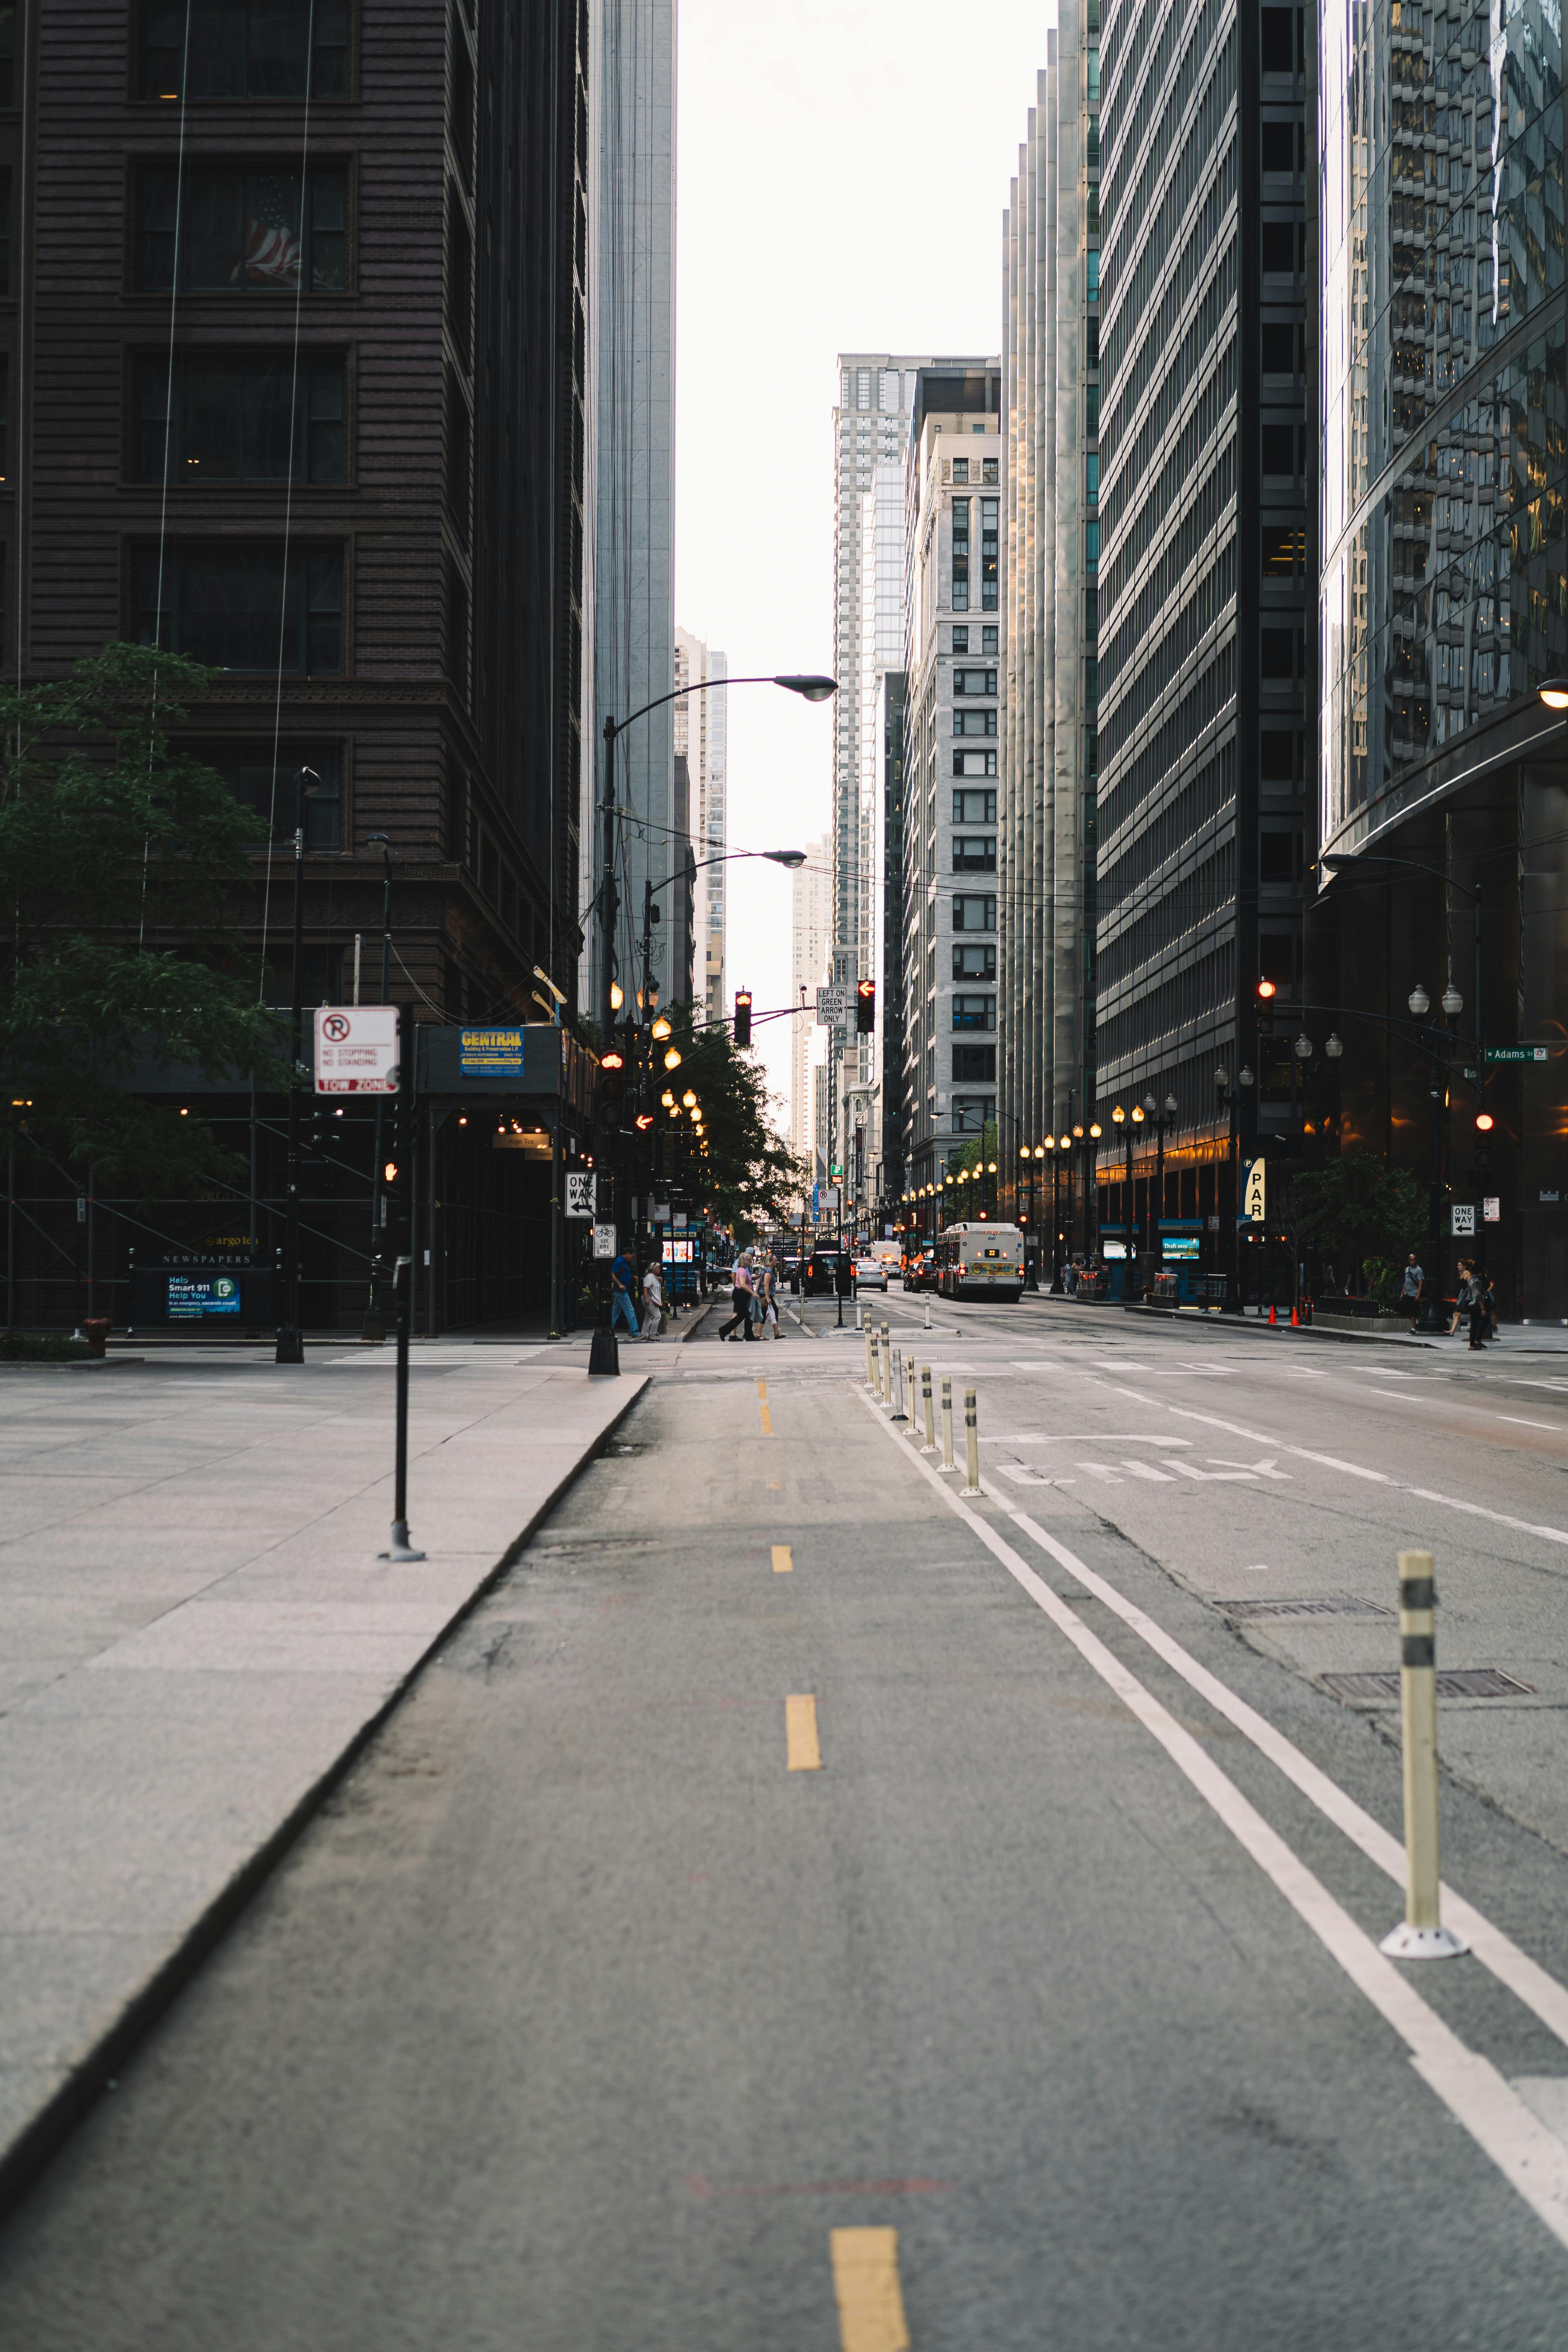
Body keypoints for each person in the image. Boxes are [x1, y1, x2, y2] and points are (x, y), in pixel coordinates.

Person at [718, 1250, 756, 1342]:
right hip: (741, 1294)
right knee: (742, 1315)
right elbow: (743, 1284)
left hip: (742, 1294)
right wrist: (753, 1293)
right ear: (745, 1261)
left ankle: (749, 1335)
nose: (751, 1262)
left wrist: (753, 1278)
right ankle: (724, 1330)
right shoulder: (742, 1271)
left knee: (748, 1314)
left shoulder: (743, 1270)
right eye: (750, 1260)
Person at [609, 1248, 639, 1338]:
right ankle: (635, 1332)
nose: (632, 1259)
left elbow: (621, 1275)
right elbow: (613, 1274)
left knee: (615, 1312)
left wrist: (631, 1277)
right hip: (621, 1291)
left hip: (620, 1290)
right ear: (627, 1253)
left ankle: (609, 1329)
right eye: (632, 1257)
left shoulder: (623, 1262)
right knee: (630, 1311)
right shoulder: (620, 1262)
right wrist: (620, 1284)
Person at [640, 1260, 664, 1340]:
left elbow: (655, 1289)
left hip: (651, 1300)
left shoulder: (654, 1278)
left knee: (649, 1317)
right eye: (658, 1268)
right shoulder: (650, 1277)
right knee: (657, 1316)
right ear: (654, 1269)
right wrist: (647, 1299)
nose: (659, 1269)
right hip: (650, 1300)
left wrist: (659, 1282)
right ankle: (652, 1335)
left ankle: (644, 1334)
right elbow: (645, 1289)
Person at [1400, 1250, 1423, 1330]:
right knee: (1404, 1311)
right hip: (1407, 1292)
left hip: (1414, 1293)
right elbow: (1406, 1282)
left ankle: (1413, 1329)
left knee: (1413, 1312)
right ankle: (1416, 1322)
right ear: (1409, 1261)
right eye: (1411, 1260)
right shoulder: (1407, 1269)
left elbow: (1421, 1283)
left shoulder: (1419, 1270)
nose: (1413, 1262)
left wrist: (1418, 1295)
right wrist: (1402, 1293)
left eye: (1414, 1260)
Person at [759, 1260, 780, 1340]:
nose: (776, 1261)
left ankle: (777, 1333)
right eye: (775, 1260)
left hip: (767, 1294)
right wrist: (767, 1298)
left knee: (774, 1312)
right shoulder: (768, 1271)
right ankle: (759, 1334)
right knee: (764, 1313)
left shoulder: (769, 1270)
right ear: (771, 1261)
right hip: (766, 1295)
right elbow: (766, 1285)